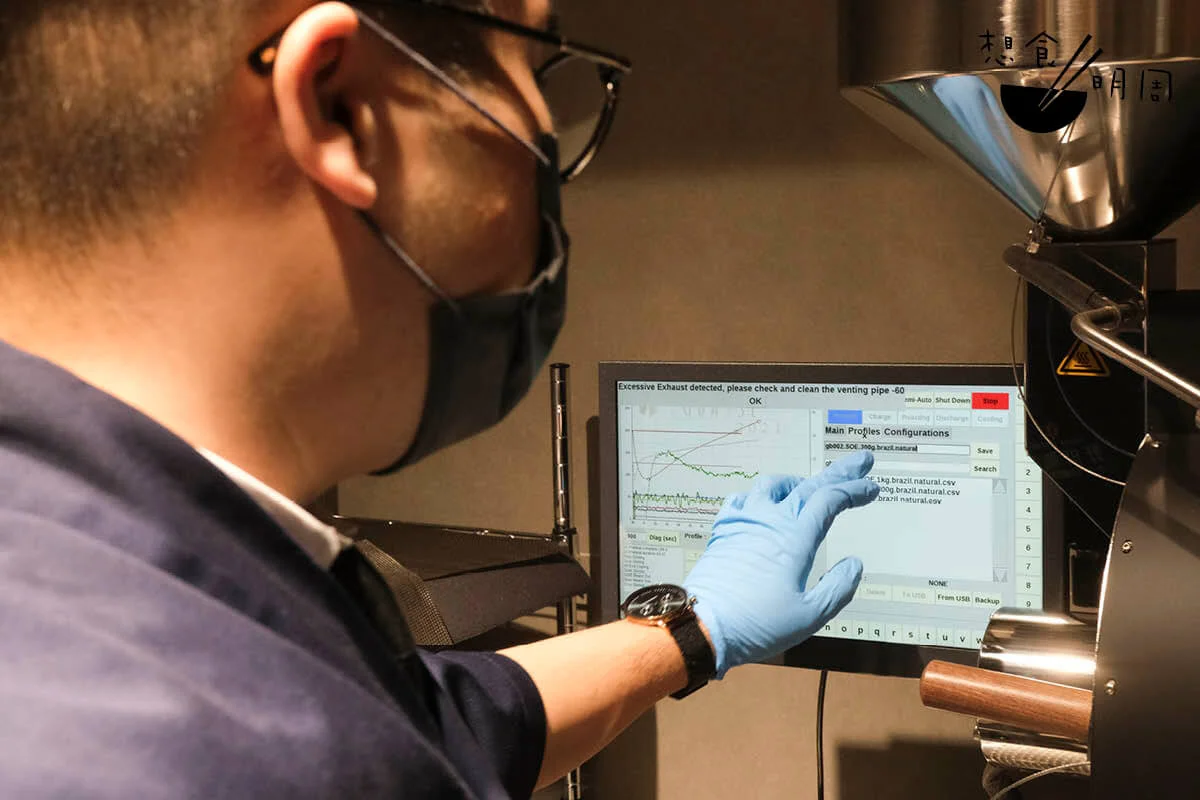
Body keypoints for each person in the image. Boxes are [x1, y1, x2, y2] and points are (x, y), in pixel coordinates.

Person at [0, 0, 880, 796]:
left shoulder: (113, 584)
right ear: (341, 107)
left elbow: (431, 724)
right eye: (536, 71)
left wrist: (697, 631)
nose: (546, 141)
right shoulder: (149, 753)